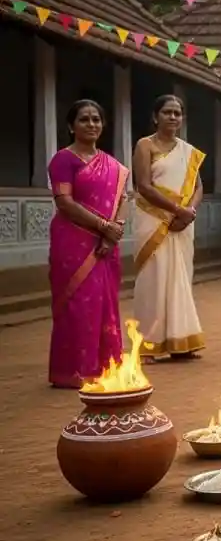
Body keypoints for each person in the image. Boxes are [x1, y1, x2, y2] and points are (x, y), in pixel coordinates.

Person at [47, 100, 129, 388]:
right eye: (84, 119)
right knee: (77, 304)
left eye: (96, 119)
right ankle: (74, 371)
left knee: (104, 304)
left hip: (107, 244)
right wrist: (104, 228)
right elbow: (65, 202)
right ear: (71, 126)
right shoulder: (63, 160)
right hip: (73, 242)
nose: (92, 124)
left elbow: (123, 199)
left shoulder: (114, 166)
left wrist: (112, 231)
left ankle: (105, 366)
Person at [131, 95, 206, 361]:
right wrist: (177, 210)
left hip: (183, 223)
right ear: (155, 117)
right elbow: (144, 186)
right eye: (167, 112)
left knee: (180, 278)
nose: (173, 117)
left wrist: (189, 213)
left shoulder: (188, 151)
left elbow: (198, 187)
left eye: (177, 113)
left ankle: (181, 341)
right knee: (152, 279)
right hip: (153, 220)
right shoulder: (145, 145)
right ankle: (148, 344)